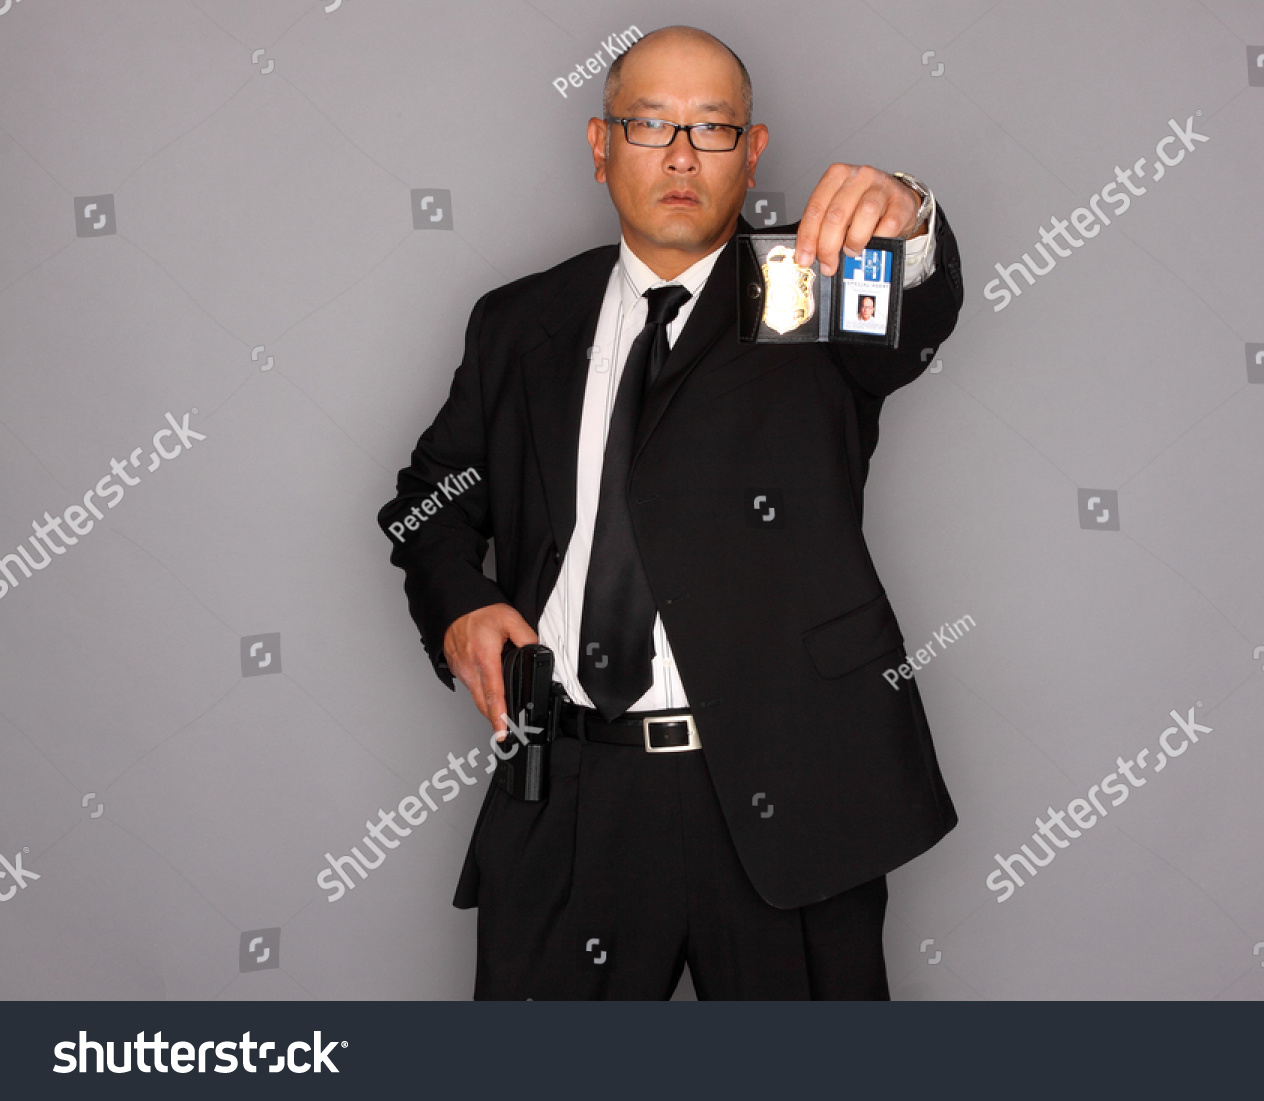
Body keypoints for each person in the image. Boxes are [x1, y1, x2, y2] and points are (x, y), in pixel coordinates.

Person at [378, 24, 963, 1000]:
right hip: (570, 788)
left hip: (787, 786)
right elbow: (428, 510)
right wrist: (461, 610)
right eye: (651, 126)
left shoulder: (807, 289)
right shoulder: (520, 323)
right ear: (602, 146)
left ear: (755, 149)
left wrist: (903, 224)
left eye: (713, 129)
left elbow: (905, 318)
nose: (683, 155)